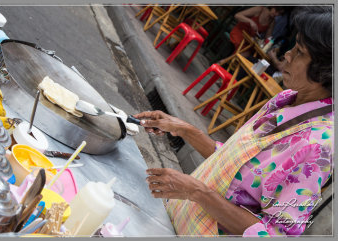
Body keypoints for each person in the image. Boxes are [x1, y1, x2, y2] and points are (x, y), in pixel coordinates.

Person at [134, 6, 333, 237]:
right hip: (176, 219)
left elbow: (275, 233)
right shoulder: (285, 98)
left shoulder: (319, 146)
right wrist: (184, 129)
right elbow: (234, 165)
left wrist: (198, 192)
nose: (287, 54)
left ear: (325, 70)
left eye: (299, 52)